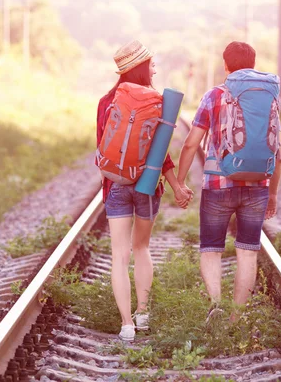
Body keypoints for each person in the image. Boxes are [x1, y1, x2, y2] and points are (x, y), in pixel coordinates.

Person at [177, 41, 281, 321]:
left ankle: (216, 306)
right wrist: (272, 195)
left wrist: (180, 182)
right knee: (247, 253)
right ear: (253, 63)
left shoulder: (213, 95)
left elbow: (191, 145)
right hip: (257, 186)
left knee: (211, 249)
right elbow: (279, 154)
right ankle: (236, 319)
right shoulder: (268, 97)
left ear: (226, 65)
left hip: (217, 186)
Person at [96, 40, 193, 341]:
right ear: (141, 67)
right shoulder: (157, 102)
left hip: (116, 185)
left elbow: (103, 146)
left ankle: (126, 324)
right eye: (151, 64)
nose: (154, 68)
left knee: (119, 255)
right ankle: (143, 313)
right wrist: (177, 186)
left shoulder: (107, 101)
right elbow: (161, 153)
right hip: (148, 187)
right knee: (141, 248)